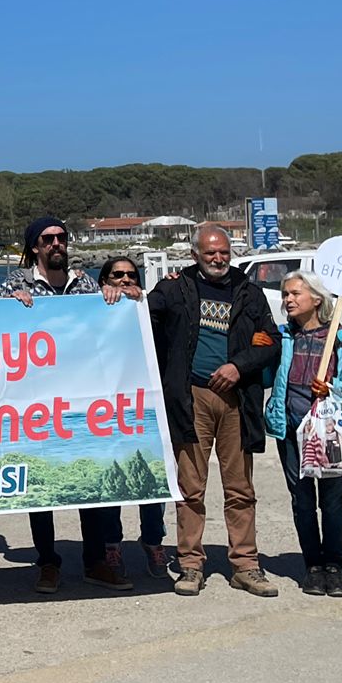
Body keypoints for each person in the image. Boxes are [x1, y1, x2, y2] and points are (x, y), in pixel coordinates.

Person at [144, 224, 283, 598]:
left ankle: (246, 566)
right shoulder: (174, 289)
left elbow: (270, 341)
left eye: (224, 252)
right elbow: (142, 316)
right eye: (210, 253)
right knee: (191, 488)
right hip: (191, 399)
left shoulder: (249, 292)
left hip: (237, 399)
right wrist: (122, 292)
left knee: (240, 488)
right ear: (195, 255)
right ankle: (190, 565)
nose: (218, 258)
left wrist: (239, 365)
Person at [0, 217, 133, 594]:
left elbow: (111, 322)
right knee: (41, 486)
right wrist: (11, 308)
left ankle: (95, 561)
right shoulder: (15, 285)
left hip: (84, 401)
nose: (56, 244)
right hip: (35, 403)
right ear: (35, 246)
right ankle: (47, 562)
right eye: (47, 239)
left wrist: (119, 297)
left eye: (61, 237)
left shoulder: (85, 284)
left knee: (92, 480)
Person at [267, 273, 342, 598]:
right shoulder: (283, 337)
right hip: (290, 430)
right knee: (301, 501)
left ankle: (334, 567)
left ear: (317, 299)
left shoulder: (341, 340)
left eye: (295, 293)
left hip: (329, 433)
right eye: (285, 294)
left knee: (332, 501)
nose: (288, 299)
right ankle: (312, 566)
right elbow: (267, 376)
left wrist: (334, 388)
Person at [99, 255, 173, 577]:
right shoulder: (93, 309)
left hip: (145, 407)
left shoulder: (150, 310)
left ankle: (153, 541)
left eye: (132, 275)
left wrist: (166, 289)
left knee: (151, 476)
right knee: (111, 477)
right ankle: (111, 545)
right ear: (105, 281)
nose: (126, 280)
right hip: (104, 410)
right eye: (117, 275)